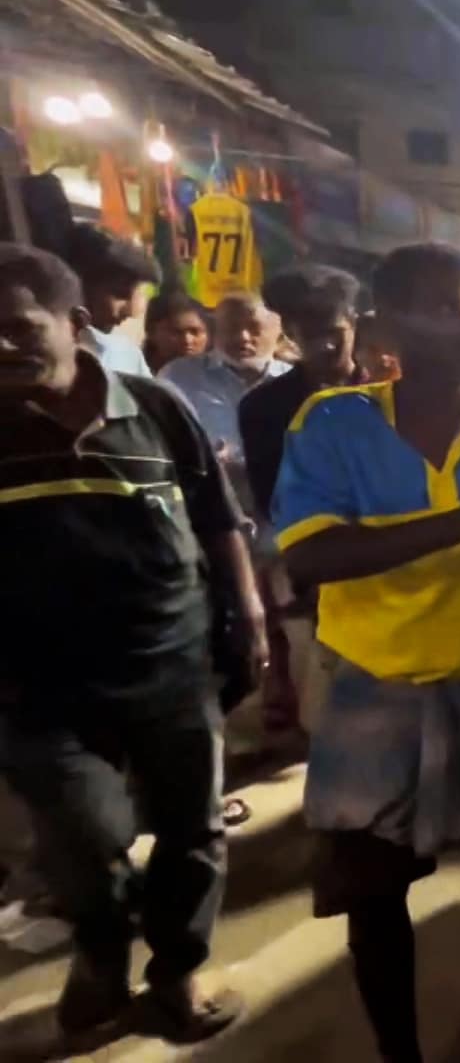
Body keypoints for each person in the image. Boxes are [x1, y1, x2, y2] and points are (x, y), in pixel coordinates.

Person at [273, 243, 460, 1063]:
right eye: (441, 307)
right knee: (374, 892)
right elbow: (312, 555)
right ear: (385, 325)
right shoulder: (333, 422)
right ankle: (400, 1052)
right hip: (376, 693)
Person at [0, 243, 263, 1042]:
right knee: (86, 837)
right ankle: (101, 958)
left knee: (192, 830)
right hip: (35, 690)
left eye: (16, 327)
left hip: (171, 666)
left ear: (75, 323)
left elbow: (217, 521)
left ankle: (177, 972)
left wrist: (247, 617)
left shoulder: (153, 408)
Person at [243, 267, 366, 736]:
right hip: (317, 559)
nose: (325, 347)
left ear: (356, 322)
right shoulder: (263, 407)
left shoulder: (398, 390)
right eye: (309, 336)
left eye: (335, 333)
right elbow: (272, 493)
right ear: (289, 334)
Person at [162, 294, 292, 479]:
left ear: (278, 331)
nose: (243, 337)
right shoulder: (179, 377)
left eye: (255, 328)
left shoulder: (294, 383)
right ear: (215, 331)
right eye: (232, 328)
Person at [64, 223, 157, 377]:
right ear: (80, 283)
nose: (131, 311)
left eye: (135, 295)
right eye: (119, 294)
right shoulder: (56, 350)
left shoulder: (129, 355)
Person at [144, 288, 209, 372]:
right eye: (176, 332)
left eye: (195, 332)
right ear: (151, 332)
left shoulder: (220, 378)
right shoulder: (131, 372)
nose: (187, 341)